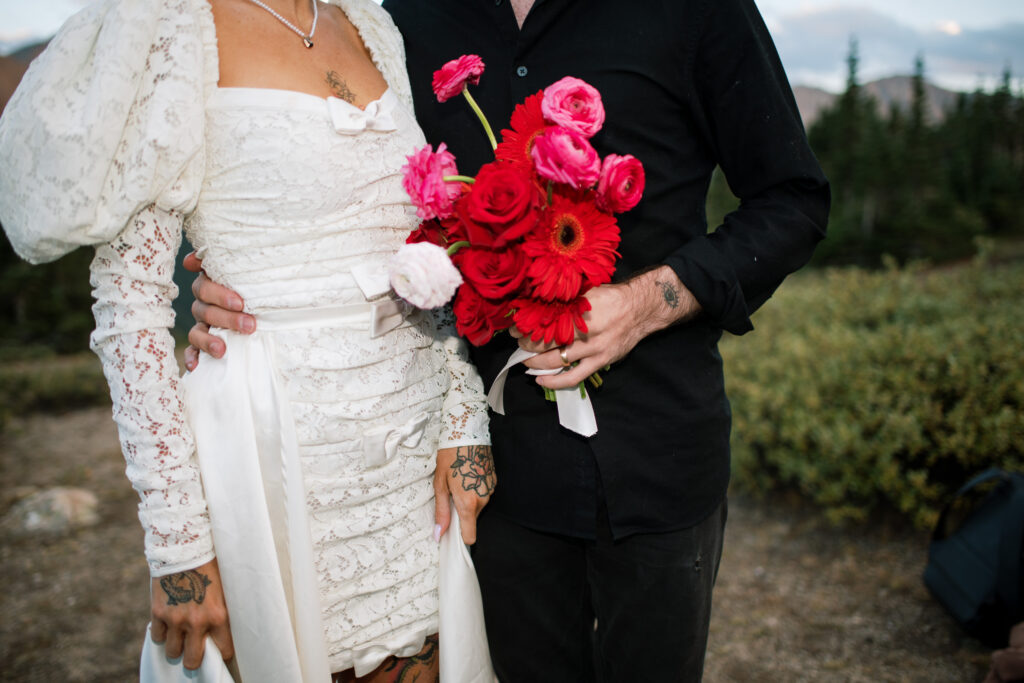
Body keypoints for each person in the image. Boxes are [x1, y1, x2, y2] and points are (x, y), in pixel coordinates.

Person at [187, 0, 831, 680]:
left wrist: (649, 301)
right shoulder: (402, 19)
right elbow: (373, 197)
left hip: (657, 460)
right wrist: (243, 276)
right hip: (492, 480)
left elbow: (793, 198)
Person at [0, 0, 496, 681]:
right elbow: (131, 308)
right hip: (273, 457)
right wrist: (178, 547)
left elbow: (419, 249)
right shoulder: (173, 25)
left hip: (408, 462)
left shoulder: (371, 26)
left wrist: (463, 412)